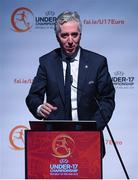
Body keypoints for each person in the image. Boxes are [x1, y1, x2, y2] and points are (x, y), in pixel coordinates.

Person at [26, 11, 115, 157]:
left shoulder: (97, 62)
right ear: (57, 37)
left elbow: (107, 99)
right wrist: (39, 107)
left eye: (74, 34)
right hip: (55, 140)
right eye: (64, 35)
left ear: (81, 35)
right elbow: (33, 97)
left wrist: (93, 128)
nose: (70, 40)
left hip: (89, 140)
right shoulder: (46, 62)